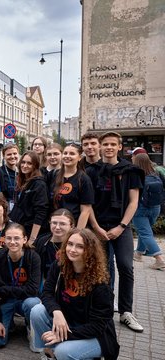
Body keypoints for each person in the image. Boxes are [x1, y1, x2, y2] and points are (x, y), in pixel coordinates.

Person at [30, 229, 120, 360]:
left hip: (96, 335)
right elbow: (47, 292)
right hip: (68, 321)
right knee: (37, 311)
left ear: (90, 250)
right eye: (70, 244)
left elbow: (97, 326)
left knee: (63, 351)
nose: (72, 249)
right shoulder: (60, 265)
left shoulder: (101, 283)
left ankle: (71, 353)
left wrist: (64, 335)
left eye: (80, 246)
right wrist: (56, 312)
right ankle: (49, 352)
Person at [88, 132, 144, 332]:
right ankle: (105, 307)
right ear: (100, 146)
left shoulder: (131, 171)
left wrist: (121, 227)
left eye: (113, 144)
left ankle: (126, 312)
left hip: (122, 226)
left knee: (125, 266)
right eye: (106, 144)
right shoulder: (92, 171)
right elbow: (88, 204)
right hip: (99, 227)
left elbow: (133, 202)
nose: (109, 147)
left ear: (119, 147)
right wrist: (96, 227)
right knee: (103, 268)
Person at [0, 223, 41, 350]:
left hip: (24, 300)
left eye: (17, 238)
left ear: (25, 239)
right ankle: (8, 322)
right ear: (4, 239)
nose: (12, 242)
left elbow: (33, 290)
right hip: (5, 301)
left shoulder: (33, 257)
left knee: (33, 304)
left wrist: (1, 290)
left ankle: (30, 325)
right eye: (9, 238)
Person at [47, 143, 94, 229]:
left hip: (72, 227)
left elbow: (86, 210)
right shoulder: (53, 175)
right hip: (54, 226)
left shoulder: (84, 179)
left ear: (79, 157)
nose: (67, 156)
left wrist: (77, 232)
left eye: (72, 154)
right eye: (65, 153)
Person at [131, 153, 165, 270]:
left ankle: (159, 259)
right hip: (156, 207)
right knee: (146, 231)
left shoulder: (136, 175)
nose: (131, 159)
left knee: (145, 233)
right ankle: (139, 253)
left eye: (133, 158)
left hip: (140, 208)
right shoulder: (156, 173)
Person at [9, 151, 49, 243]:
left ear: (35, 165)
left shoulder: (39, 184)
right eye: (23, 162)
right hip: (18, 228)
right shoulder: (21, 181)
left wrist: (32, 239)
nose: (25, 165)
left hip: (29, 231)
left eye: (29, 163)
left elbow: (41, 212)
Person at [34, 209, 75, 281]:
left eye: (62, 224)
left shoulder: (76, 244)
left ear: (71, 226)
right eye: (54, 223)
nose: (57, 227)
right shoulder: (41, 241)